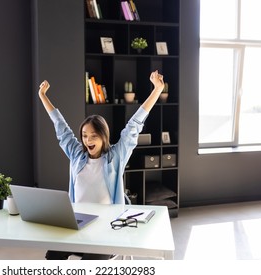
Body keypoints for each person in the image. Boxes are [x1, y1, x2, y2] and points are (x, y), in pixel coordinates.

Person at [38, 70, 165, 260]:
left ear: (103, 137)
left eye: (93, 136)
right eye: (84, 136)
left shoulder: (116, 156)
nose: (88, 140)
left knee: (90, 264)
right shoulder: (76, 155)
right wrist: (42, 96)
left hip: (107, 230)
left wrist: (157, 89)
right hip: (78, 226)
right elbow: (61, 127)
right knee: (52, 256)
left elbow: (135, 125)